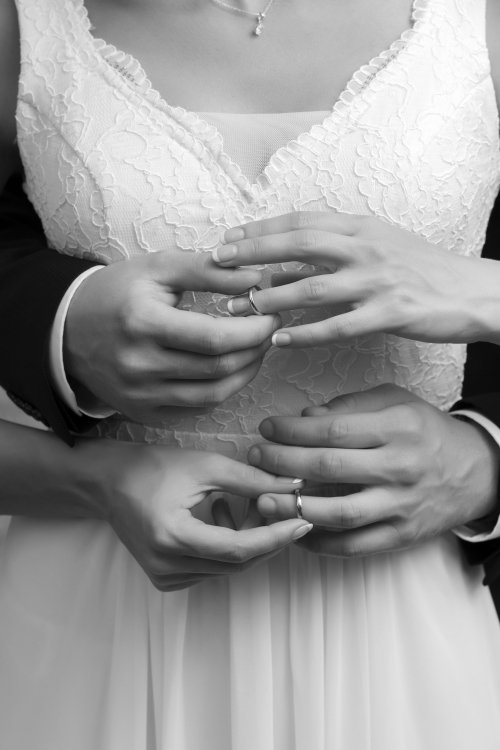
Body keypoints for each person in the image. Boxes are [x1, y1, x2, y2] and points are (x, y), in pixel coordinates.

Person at [1, 0, 500, 748]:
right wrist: (64, 324)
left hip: (405, 617)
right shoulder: (27, 20)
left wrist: (487, 454)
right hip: (96, 608)